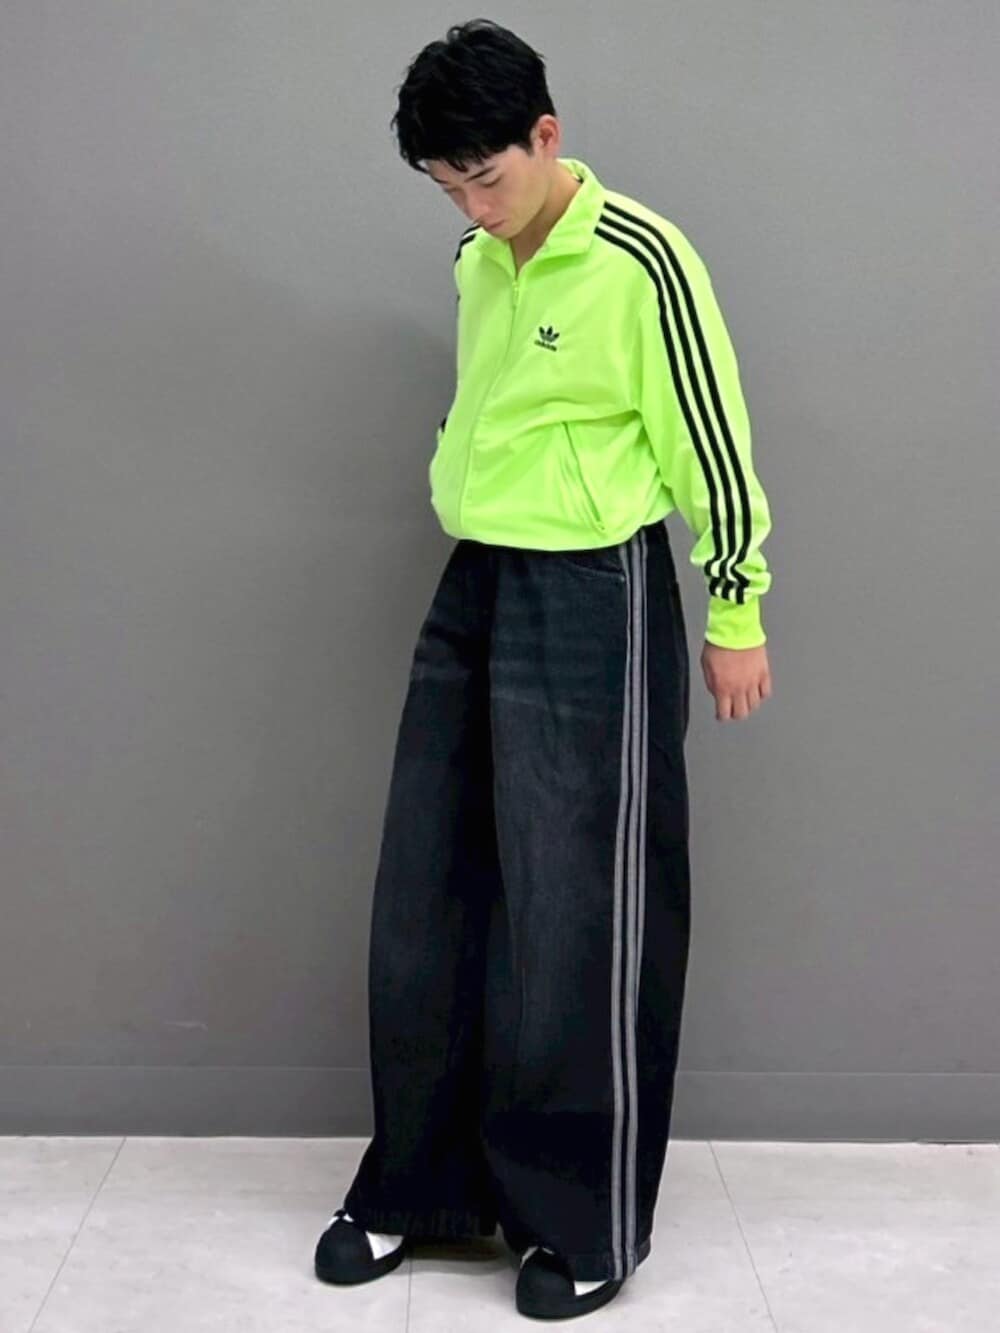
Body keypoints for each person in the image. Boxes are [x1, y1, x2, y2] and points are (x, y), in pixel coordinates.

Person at [314, 17, 774, 1321]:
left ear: (546, 135)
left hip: (593, 588)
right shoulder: (479, 259)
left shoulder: (642, 259)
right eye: (445, 186)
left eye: (486, 176)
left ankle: (583, 1218)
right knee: (431, 888)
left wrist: (736, 606)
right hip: (480, 575)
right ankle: (425, 1187)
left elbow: (711, 437)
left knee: (579, 907)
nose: (472, 207)